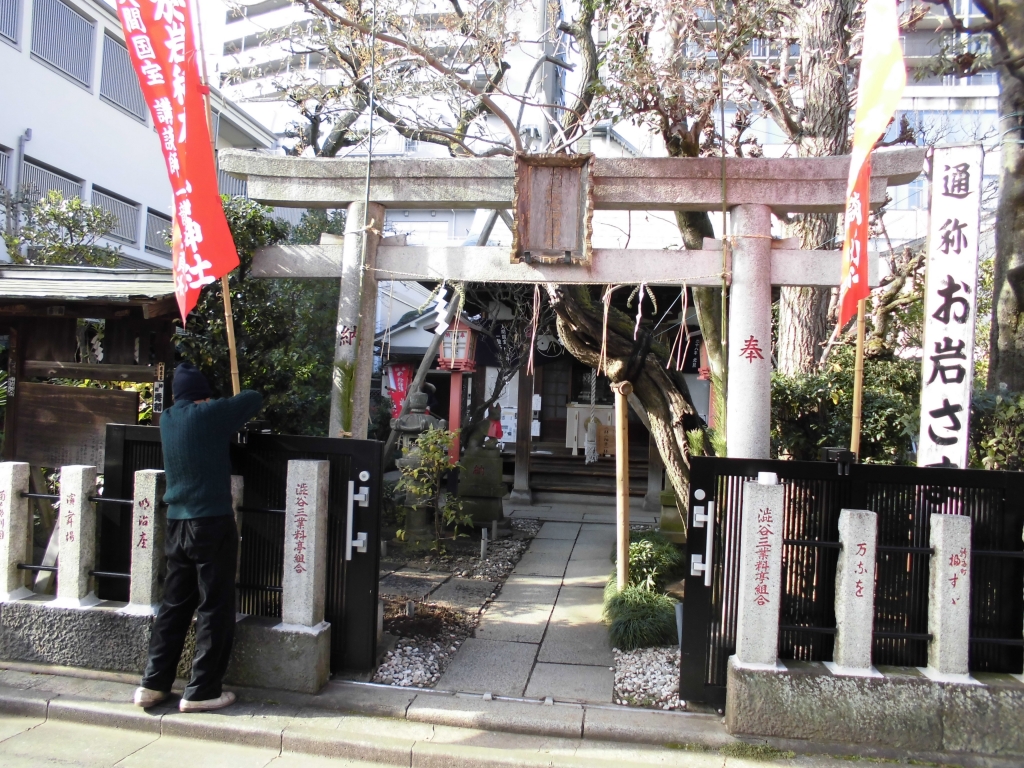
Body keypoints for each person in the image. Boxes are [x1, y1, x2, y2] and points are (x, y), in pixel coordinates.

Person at [133, 362, 262, 712]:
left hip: (177, 523)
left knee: (174, 606)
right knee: (214, 606)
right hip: (211, 522)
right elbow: (252, 398)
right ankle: (201, 690)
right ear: (202, 396)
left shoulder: (168, 419)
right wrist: (214, 403)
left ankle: (153, 684)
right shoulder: (208, 415)